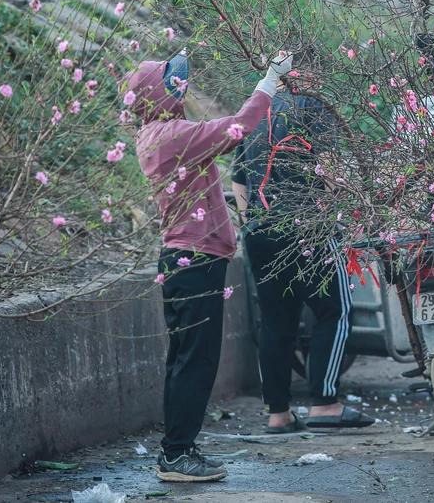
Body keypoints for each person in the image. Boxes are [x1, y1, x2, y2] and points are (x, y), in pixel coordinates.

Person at [123, 50, 292, 482]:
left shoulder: (155, 132)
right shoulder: (172, 135)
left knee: (185, 359)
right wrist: (270, 79)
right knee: (195, 361)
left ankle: (179, 450)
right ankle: (177, 456)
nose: (181, 85)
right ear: (155, 96)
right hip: (195, 260)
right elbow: (239, 127)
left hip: (186, 259)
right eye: (171, 82)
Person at [231, 80, 377, 432]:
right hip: (307, 226)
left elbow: (239, 182)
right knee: (335, 311)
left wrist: (252, 223)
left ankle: (278, 413)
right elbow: (329, 170)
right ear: (306, 74)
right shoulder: (311, 106)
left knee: (276, 322)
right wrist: (337, 212)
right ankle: (325, 404)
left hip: (261, 230)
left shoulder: (254, 110)